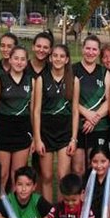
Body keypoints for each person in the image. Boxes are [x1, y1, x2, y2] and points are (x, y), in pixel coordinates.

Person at [33, 44, 80, 203]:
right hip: (46, 131)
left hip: (65, 131)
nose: (58, 59)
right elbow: (36, 111)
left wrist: (74, 139)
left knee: (62, 176)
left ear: (67, 59)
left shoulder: (73, 80)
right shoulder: (41, 79)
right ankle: (48, 212)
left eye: (62, 56)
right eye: (55, 56)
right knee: (46, 176)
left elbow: (75, 111)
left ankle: (60, 212)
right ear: (50, 58)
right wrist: (37, 139)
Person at [0, 45, 34, 191]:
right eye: (16, 58)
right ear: (10, 59)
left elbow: (33, 110)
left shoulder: (31, 81)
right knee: (2, 175)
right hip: (3, 130)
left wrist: (34, 135)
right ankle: (0, 203)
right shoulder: (0, 79)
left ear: (26, 62)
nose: (19, 62)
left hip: (22, 131)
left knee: (17, 175)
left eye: (22, 59)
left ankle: (15, 205)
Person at [73, 35, 110, 176]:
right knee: (78, 169)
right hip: (78, 126)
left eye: (94, 49)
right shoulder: (73, 70)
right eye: (88, 48)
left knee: (95, 168)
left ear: (98, 52)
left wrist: (94, 119)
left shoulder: (104, 72)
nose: (90, 52)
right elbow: (69, 99)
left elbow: (109, 101)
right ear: (82, 49)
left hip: (99, 127)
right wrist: (86, 113)